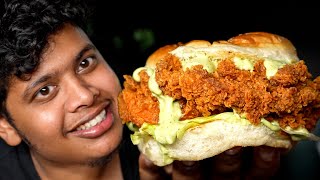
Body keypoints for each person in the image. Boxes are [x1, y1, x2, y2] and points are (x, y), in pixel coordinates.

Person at [0, 0, 288, 179]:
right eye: (44, 91)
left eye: (85, 62)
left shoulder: (202, 160)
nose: (86, 96)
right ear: (5, 127)